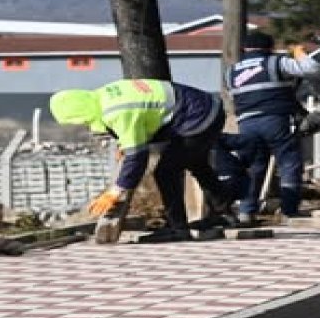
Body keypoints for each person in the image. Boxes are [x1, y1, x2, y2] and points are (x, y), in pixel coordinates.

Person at [49, 78, 238, 243]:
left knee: (166, 172)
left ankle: (178, 229)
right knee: (196, 163)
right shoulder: (103, 96)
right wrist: (126, 142)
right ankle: (225, 214)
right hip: (206, 108)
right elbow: (146, 119)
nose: (84, 125)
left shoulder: (116, 112)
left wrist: (116, 191)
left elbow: (137, 157)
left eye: (81, 121)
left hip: (197, 117)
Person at [224, 30, 320, 221]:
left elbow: (234, 96)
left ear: (245, 48)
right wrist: (299, 53)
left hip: (246, 123)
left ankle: (246, 212)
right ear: (269, 48)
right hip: (275, 120)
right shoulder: (275, 62)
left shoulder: (231, 72)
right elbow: (313, 68)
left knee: (254, 167)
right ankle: (289, 211)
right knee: (289, 163)